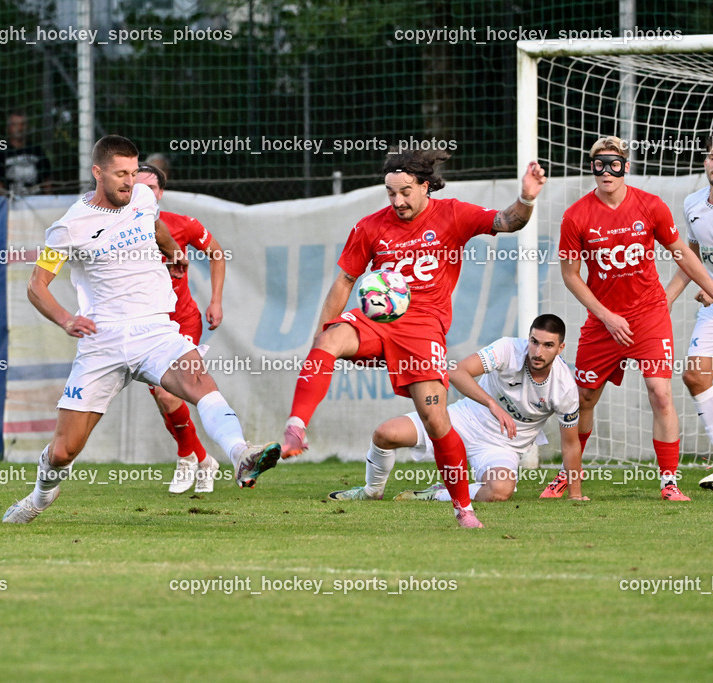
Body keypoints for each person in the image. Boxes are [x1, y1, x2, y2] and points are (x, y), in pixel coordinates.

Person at [2, 135, 279, 524]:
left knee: (200, 384)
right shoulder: (67, 227)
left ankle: (240, 454)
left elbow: (157, 228)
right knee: (64, 451)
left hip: (155, 331)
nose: (129, 182)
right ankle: (39, 497)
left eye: (134, 173)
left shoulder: (143, 200)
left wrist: (174, 252)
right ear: (97, 172)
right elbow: (36, 286)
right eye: (120, 174)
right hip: (103, 340)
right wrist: (66, 319)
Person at [280, 148, 547, 528]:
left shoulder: (453, 214)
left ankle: (463, 509)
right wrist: (321, 338)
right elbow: (344, 281)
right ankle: (296, 427)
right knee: (329, 340)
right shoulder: (370, 226)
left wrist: (527, 198)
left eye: (405, 191)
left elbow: (507, 221)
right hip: (378, 321)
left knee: (436, 422)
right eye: (390, 193)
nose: (397, 201)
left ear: (425, 185)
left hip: (423, 331)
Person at [557, 135, 713, 502]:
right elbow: (570, 275)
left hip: (649, 315)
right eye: (599, 164)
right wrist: (606, 315)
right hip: (603, 321)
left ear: (625, 167)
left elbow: (683, 255)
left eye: (614, 164)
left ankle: (669, 482)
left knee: (660, 394)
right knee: (584, 399)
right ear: (592, 168)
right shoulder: (576, 216)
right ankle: (568, 475)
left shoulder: (651, 206)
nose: (606, 172)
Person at [329, 315, 586, 503]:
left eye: (548, 345)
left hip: (503, 447)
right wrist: (492, 404)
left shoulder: (564, 388)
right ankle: (371, 491)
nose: (538, 351)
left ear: (560, 348)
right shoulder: (508, 349)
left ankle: (438, 493)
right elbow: (457, 372)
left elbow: (571, 444)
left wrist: (575, 495)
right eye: (534, 341)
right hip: (463, 420)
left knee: (500, 490)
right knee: (385, 434)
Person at [134, 163, 226, 493]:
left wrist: (215, 300)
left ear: (160, 193)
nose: (142, 193)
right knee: (165, 402)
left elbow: (217, 253)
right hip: (143, 328)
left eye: (150, 187)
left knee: (166, 392)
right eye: (135, 186)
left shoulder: (180, 225)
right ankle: (203, 459)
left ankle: (187, 456)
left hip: (181, 324)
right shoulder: (119, 229)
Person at [666, 134, 713, 490]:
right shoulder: (693, 204)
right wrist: (663, 300)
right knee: (696, 375)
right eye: (712, 156)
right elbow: (691, 258)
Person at [0, 109, 52, 196]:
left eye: (22, 124)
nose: (19, 128)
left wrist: (49, 202)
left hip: (36, 202)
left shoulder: (37, 150)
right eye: (15, 124)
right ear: (8, 127)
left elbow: (46, 180)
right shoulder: (2, 153)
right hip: (12, 204)